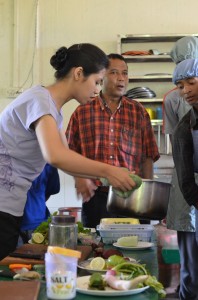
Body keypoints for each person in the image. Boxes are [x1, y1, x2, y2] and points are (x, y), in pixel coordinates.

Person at [0, 43, 137, 260]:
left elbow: (64, 149)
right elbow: (55, 155)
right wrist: (110, 171)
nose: (97, 89)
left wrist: (81, 176)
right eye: (97, 81)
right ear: (78, 73)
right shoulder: (40, 101)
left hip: (11, 203)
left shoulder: (51, 107)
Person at [66, 53, 160, 228]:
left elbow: (148, 155)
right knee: (98, 250)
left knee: (137, 248)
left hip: (134, 195)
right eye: (114, 72)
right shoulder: (83, 111)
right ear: (101, 76)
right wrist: (79, 178)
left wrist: (148, 196)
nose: (121, 78)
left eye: (124, 73)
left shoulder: (138, 111)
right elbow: (69, 152)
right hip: (97, 197)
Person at [171, 58, 198, 300]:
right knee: (193, 276)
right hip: (196, 205)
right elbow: (187, 182)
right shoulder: (184, 128)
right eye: (180, 86)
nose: (186, 90)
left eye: (191, 82)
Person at [18, 163, 60, 246]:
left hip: (39, 226)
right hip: (10, 225)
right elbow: (48, 193)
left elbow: (49, 191)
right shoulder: (47, 160)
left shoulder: (48, 161)